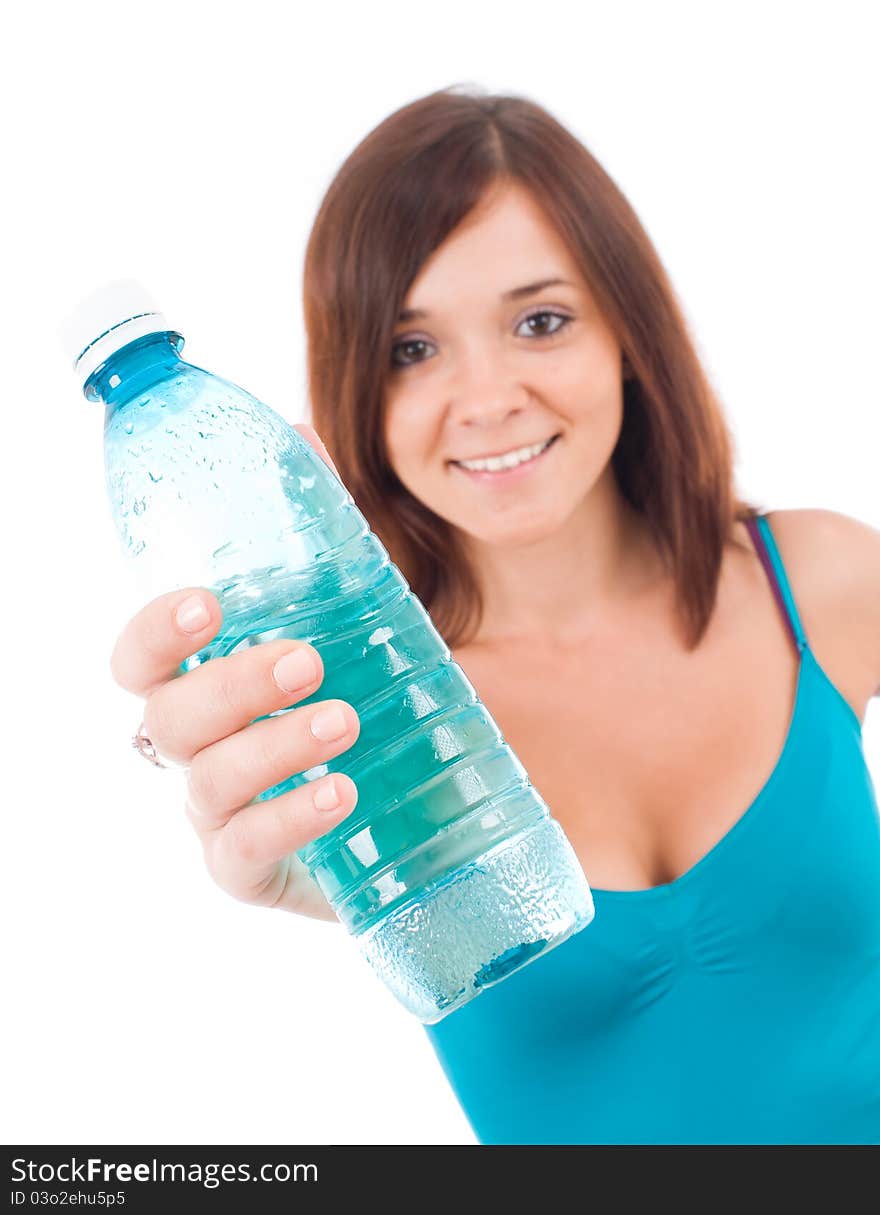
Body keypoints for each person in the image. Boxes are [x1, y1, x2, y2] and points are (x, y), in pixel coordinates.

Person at [111, 86, 880, 1144]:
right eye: (411, 350)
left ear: (627, 330)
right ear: (355, 392)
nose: (485, 400)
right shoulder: (372, 733)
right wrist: (313, 868)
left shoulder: (824, 580)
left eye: (540, 321)